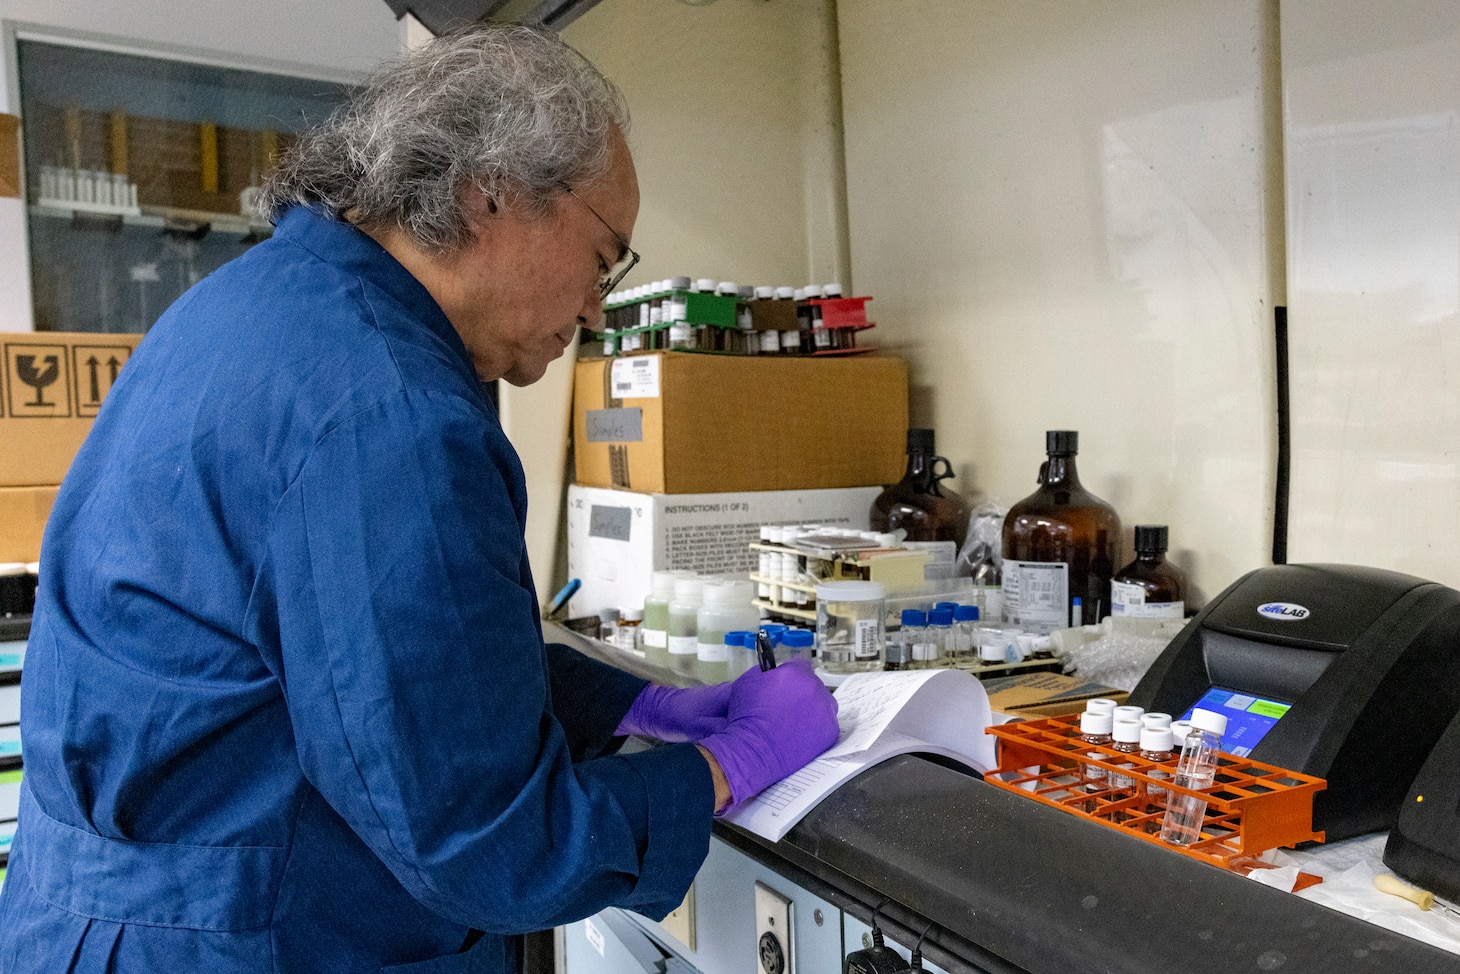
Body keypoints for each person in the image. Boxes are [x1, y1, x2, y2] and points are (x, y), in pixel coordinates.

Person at [0, 23, 839, 974]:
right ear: (492, 194)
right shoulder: (386, 411)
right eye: (604, 260)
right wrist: (727, 768)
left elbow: (395, 670)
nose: (599, 309)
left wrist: (637, 707)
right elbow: (491, 845)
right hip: (236, 943)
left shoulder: (257, 305)